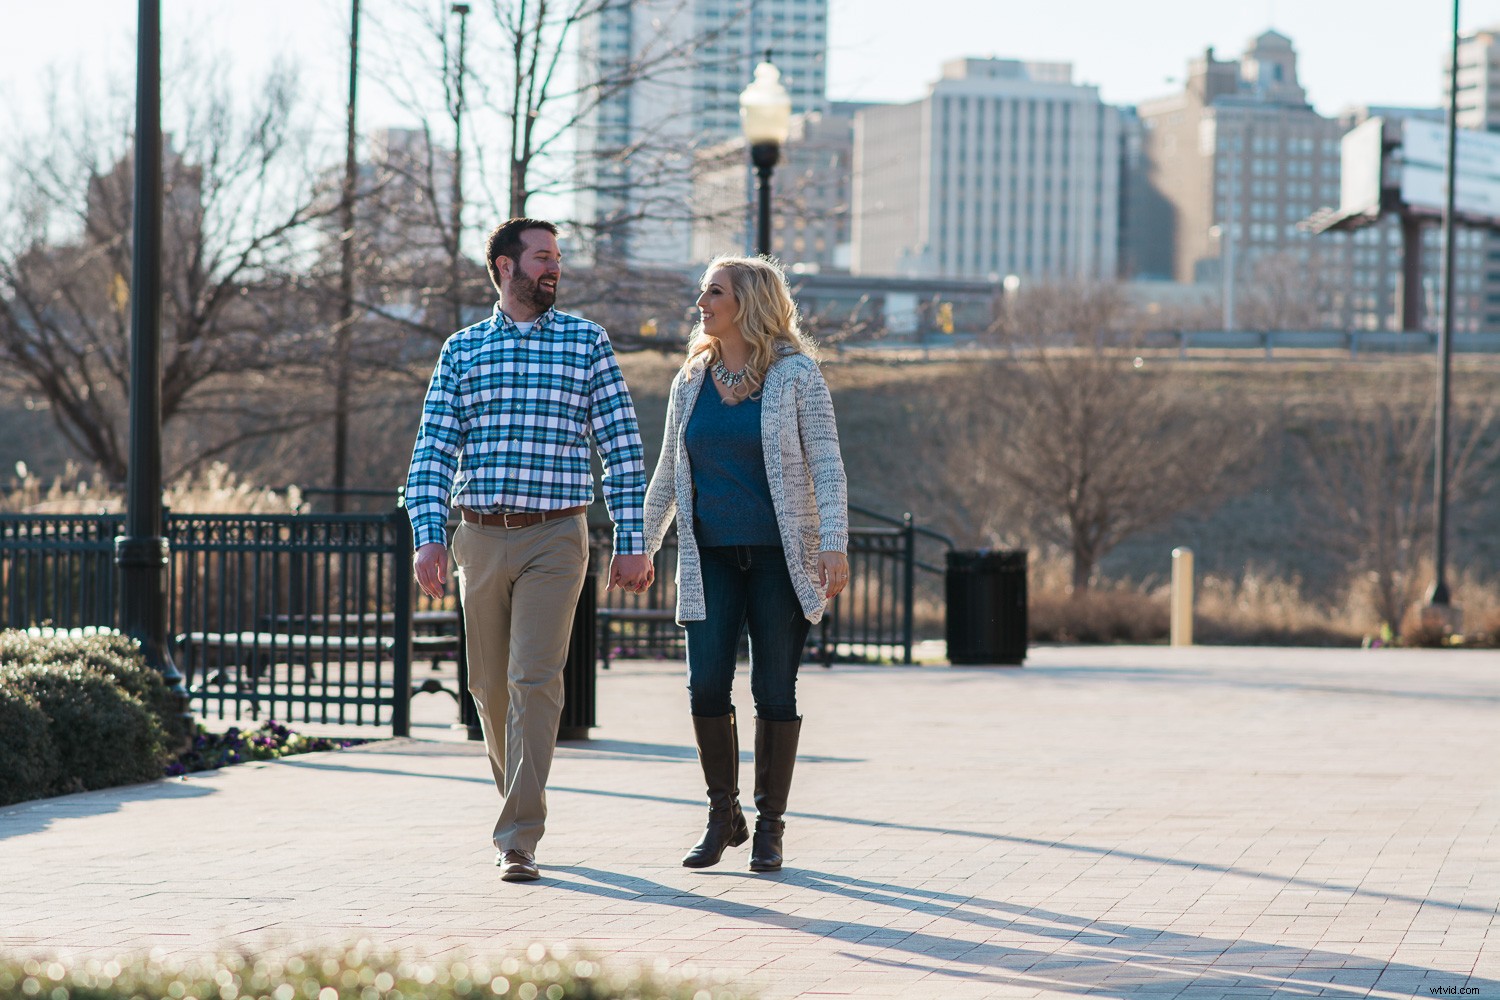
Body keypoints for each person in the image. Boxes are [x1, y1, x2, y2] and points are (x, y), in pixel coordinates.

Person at [404, 217, 654, 883]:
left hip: (556, 535)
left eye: (559, 259)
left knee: (533, 680)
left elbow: (624, 453)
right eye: (543, 257)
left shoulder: (586, 343)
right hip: (479, 536)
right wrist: (428, 536)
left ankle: (518, 836)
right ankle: (518, 807)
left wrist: (632, 542)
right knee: (487, 688)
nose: (555, 268)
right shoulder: (461, 350)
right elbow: (431, 451)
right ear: (506, 268)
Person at [643, 254, 849, 873]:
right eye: (704, 292)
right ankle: (722, 814)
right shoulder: (691, 379)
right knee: (706, 686)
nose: (701, 303)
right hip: (708, 557)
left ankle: (771, 827)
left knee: (772, 689)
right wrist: (641, 543)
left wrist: (833, 541)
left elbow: (828, 466)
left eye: (714, 292)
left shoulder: (797, 376)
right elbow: (668, 474)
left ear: (748, 303)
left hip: (777, 560)